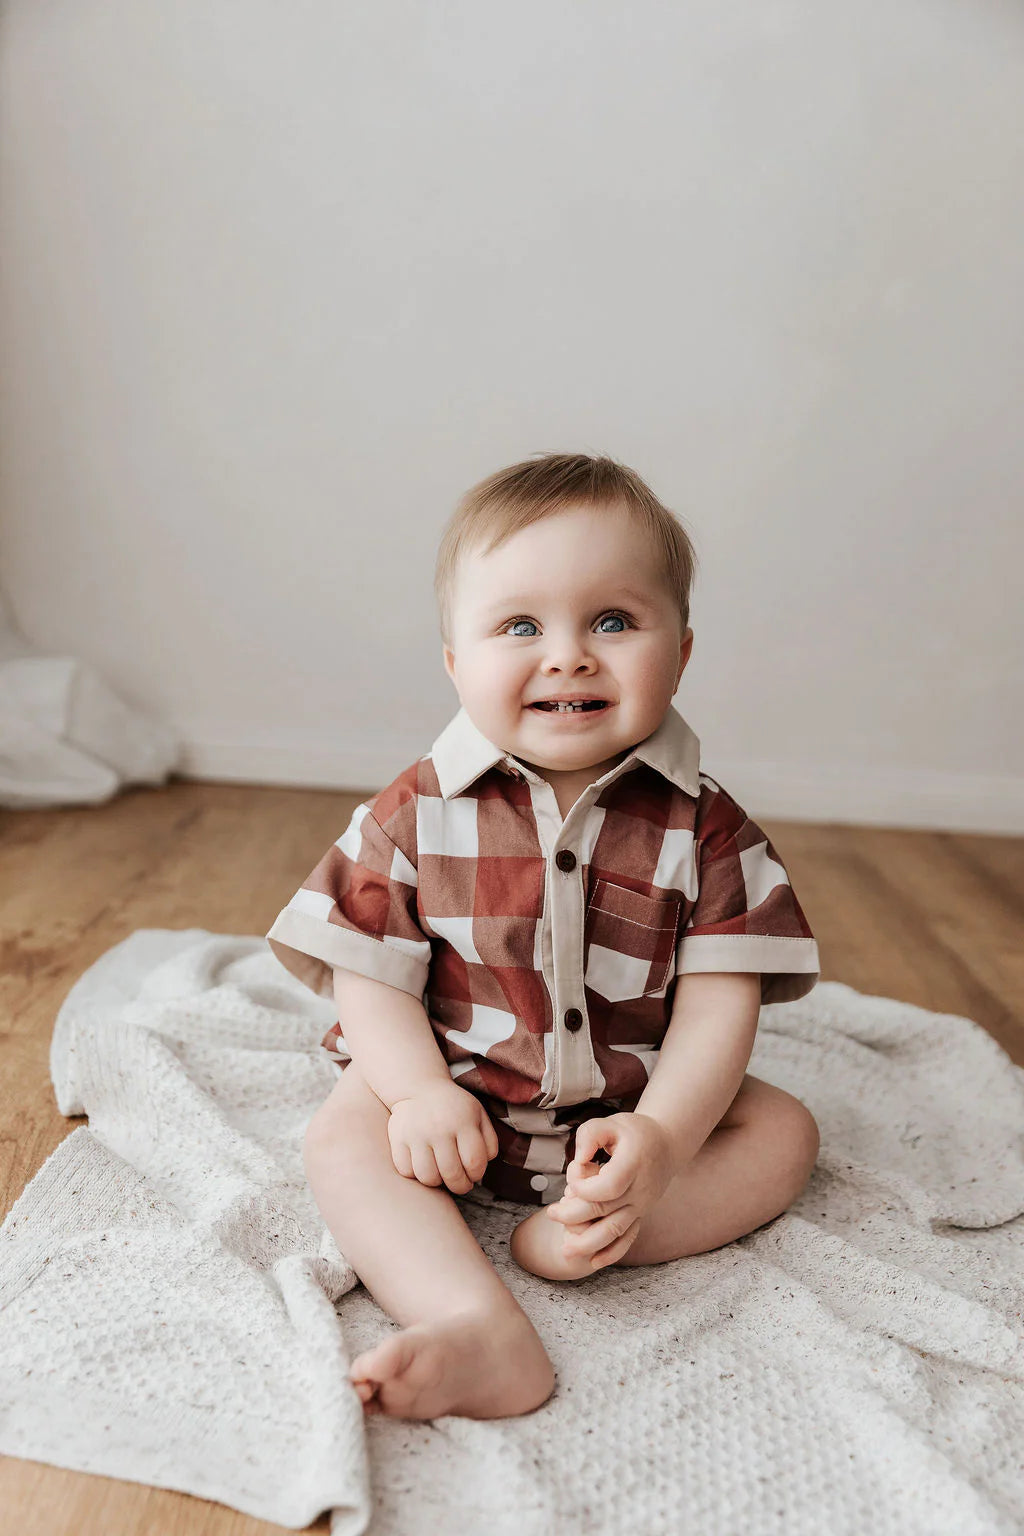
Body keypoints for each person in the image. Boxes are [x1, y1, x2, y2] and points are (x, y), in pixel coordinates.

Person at [267, 452, 821, 1422]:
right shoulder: (416, 814)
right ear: (455, 662)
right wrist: (417, 1092)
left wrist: (661, 1137)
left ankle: (596, 1231)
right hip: (459, 1104)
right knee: (342, 1140)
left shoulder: (708, 829)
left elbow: (717, 1010)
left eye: (612, 621)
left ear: (680, 652)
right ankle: (473, 1323)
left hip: (623, 1112)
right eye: (519, 626)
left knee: (782, 1133)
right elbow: (371, 976)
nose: (566, 654)